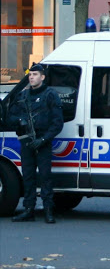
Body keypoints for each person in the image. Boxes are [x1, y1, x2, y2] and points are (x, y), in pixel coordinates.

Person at [8, 63, 64, 223]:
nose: (31, 77)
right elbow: (11, 116)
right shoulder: (22, 96)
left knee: (45, 177)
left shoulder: (50, 95)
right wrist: (20, 120)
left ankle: (48, 210)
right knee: (28, 177)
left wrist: (44, 139)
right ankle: (28, 209)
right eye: (30, 74)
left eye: (34, 74)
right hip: (27, 141)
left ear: (42, 77)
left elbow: (57, 122)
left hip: (43, 141)